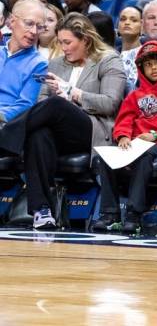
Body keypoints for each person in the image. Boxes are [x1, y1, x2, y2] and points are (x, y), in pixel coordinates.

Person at [18, 13, 125, 229]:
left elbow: (109, 104)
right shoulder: (56, 64)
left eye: (68, 42)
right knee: (39, 135)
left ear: (85, 39)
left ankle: (8, 137)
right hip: (60, 131)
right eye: (60, 42)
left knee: (58, 104)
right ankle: (42, 211)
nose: (63, 48)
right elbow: (41, 103)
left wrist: (72, 93)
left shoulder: (109, 59)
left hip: (91, 129)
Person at [92, 40, 157, 233]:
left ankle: (134, 214)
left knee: (145, 156)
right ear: (141, 68)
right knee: (103, 158)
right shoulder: (134, 96)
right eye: (148, 64)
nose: (153, 67)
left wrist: (155, 135)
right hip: (131, 145)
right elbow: (123, 121)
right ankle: (109, 214)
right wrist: (122, 137)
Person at [0, 0, 48, 132]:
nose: (34, 31)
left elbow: (25, 104)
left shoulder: (39, 63)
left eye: (39, 27)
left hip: (6, 124)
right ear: (12, 21)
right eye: (29, 23)